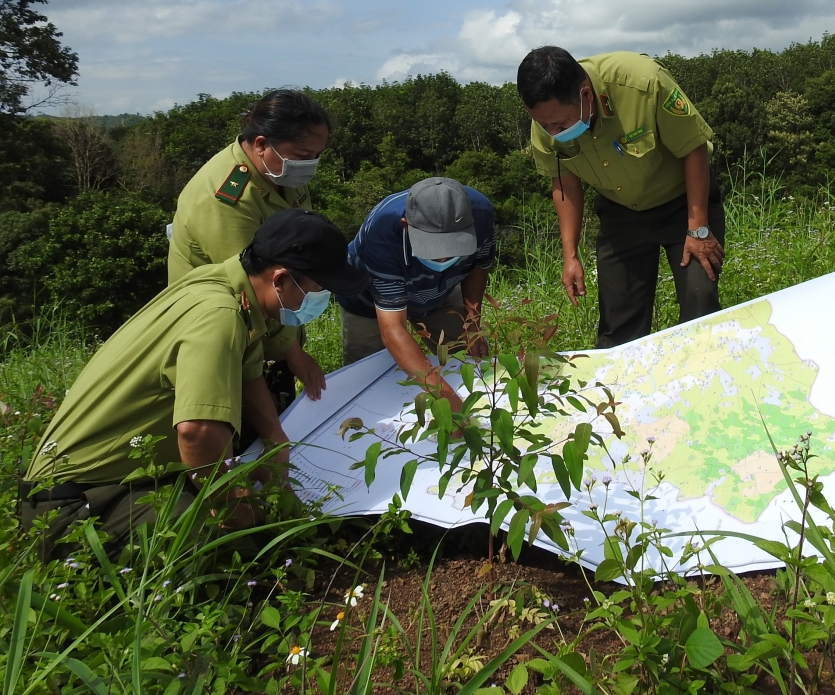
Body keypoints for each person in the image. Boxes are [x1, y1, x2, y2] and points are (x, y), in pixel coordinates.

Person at [19, 209, 368, 559]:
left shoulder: (224, 287)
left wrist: (277, 445)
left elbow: (248, 376)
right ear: (279, 280)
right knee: (223, 546)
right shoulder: (219, 317)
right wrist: (235, 508)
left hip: (124, 475)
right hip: (71, 502)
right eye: (319, 290)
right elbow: (197, 432)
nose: (322, 300)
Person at [516, 47, 725, 348]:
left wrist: (698, 228)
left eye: (560, 125)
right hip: (621, 212)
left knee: (699, 300)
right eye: (543, 125)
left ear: (586, 95)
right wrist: (570, 254)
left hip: (684, 203)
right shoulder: (546, 123)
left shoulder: (643, 82)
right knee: (619, 326)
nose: (552, 132)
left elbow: (693, 148)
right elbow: (564, 183)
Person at [168, 88, 331, 414]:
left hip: (275, 316)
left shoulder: (284, 170)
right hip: (226, 324)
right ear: (261, 144)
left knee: (281, 412)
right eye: (302, 154)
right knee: (244, 425)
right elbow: (253, 287)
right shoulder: (226, 198)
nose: (309, 164)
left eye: (317, 154)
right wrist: (293, 353)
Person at [336, 177, 495, 409]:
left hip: (441, 290)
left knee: (467, 360)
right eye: (432, 250)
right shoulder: (382, 231)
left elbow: (479, 266)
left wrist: (472, 323)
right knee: (367, 381)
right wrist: (445, 399)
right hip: (368, 301)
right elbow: (393, 329)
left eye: (452, 249)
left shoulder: (480, 213)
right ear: (406, 226)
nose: (442, 259)